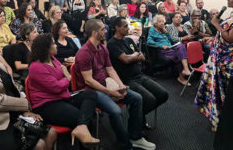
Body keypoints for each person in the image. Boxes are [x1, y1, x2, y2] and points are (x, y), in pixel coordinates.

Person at [74, 19, 156, 150]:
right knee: (116, 111)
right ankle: (125, 145)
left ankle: (135, 137)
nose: (106, 31)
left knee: (137, 98)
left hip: (105, 84)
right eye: (102, 29)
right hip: (91, 91)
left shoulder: (102, 48)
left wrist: (120, 85)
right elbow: (89, 81)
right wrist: (110, 92)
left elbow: (110, 69)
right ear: (94, 33)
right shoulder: (84, 53)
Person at [28, 33, 100, 148]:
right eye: (53, 44)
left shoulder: (52, 59)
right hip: (46, 105)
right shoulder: (35, 67)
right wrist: (67, 78)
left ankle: (81, 129)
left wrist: (64, 77)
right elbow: (56, 87)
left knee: (90, 95)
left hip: (62, 97)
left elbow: (60, 74)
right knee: (81, 117)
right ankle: (81, 134)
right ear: (46, 48)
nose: (56, 45)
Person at [107, 17, 168, 127]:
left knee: (163, 94)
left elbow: (143, 57)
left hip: (139, 76)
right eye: (125, 26)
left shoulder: (129, 40)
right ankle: (136, 123)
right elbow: (126, 60)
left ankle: (137, 116)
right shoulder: (112, 43)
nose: (128, 28)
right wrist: (135, 55)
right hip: (126, 81)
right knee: (150, 100)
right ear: (117, 28)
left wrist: (132, 57)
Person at [195, 0, 233, 132]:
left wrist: (216, 24)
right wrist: (213, 37)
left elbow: (230, 38)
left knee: (223, 92)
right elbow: (225, 34)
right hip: (220, 58)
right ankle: (217, 119)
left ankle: (222, 122)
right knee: (217, 91)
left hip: (227, 62)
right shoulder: (231, 14)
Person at [147, 15, 192, 86]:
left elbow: (171, 40)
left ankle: (185, 70)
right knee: (180, 54)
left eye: (163, 22)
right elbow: (149, 41)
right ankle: (182, 77)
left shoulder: (163, 30)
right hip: (162, 51)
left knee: (181, 46)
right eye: (160, 22)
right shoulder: (152, 29)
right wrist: (162, 46)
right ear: (155, 23)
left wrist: (167, 33)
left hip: (170, 48)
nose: (162, 23)